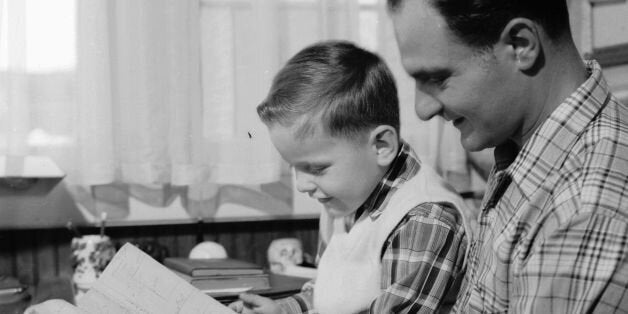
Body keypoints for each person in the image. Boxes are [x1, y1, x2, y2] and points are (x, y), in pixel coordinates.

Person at [387, 0, 628, 313]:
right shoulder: (532, 156)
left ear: (520, 45)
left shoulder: (584, 212)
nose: (423, 109)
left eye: (437, 77)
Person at [229, 40, 472, 314]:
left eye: (317, 168)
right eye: (294, 167)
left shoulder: (425, 218)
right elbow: (328, 294)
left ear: (382, 146)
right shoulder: (346, 196)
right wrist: (284, 310)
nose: (302, 185)